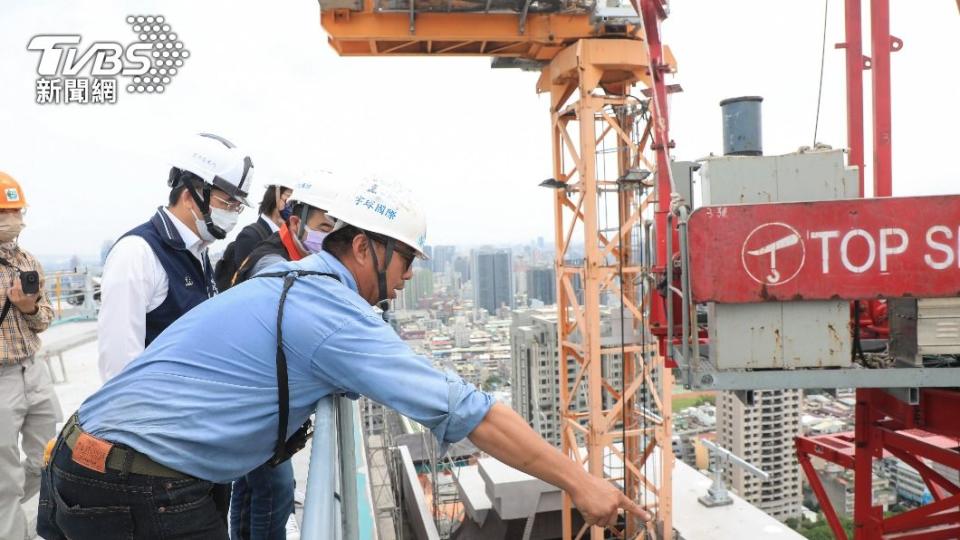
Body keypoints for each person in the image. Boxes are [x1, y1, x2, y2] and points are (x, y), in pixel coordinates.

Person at [38, 178, 648, 539]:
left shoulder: (291, 281)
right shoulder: (331, 315)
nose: (407, 280)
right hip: (134, 485)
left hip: (80, 459)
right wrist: (579, 481)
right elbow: (470, 413)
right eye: (405, 262)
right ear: (362, 248)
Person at [227, 178, 337, 539]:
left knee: (250, 486)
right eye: (323, 227)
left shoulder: (295, 255)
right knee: (275, 489)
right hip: (254, 394)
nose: (328, 236)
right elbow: (269, 276)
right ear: (294, 222)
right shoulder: (270, 257)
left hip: (253, 389)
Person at [97, 132, 254, 382]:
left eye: (237, 206)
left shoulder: (197, 250)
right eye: (226, 204)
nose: (233, 215)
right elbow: (119, 365)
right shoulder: (137, 254)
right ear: (190, 197)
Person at [0, 172, 58, 540]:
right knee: (3, 477)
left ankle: (42, 528)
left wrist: (29, 308)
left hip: (34, 370)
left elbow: (46, 317)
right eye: (4, 212)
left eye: (16, 211)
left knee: (48, 459)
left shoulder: (27, 260)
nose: (12, 220)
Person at [214, 181, 295, 292]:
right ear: (275, 198)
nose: (293, 208)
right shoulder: (250, 236)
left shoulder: (286, 239)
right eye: (289, 200)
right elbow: (245, 286)